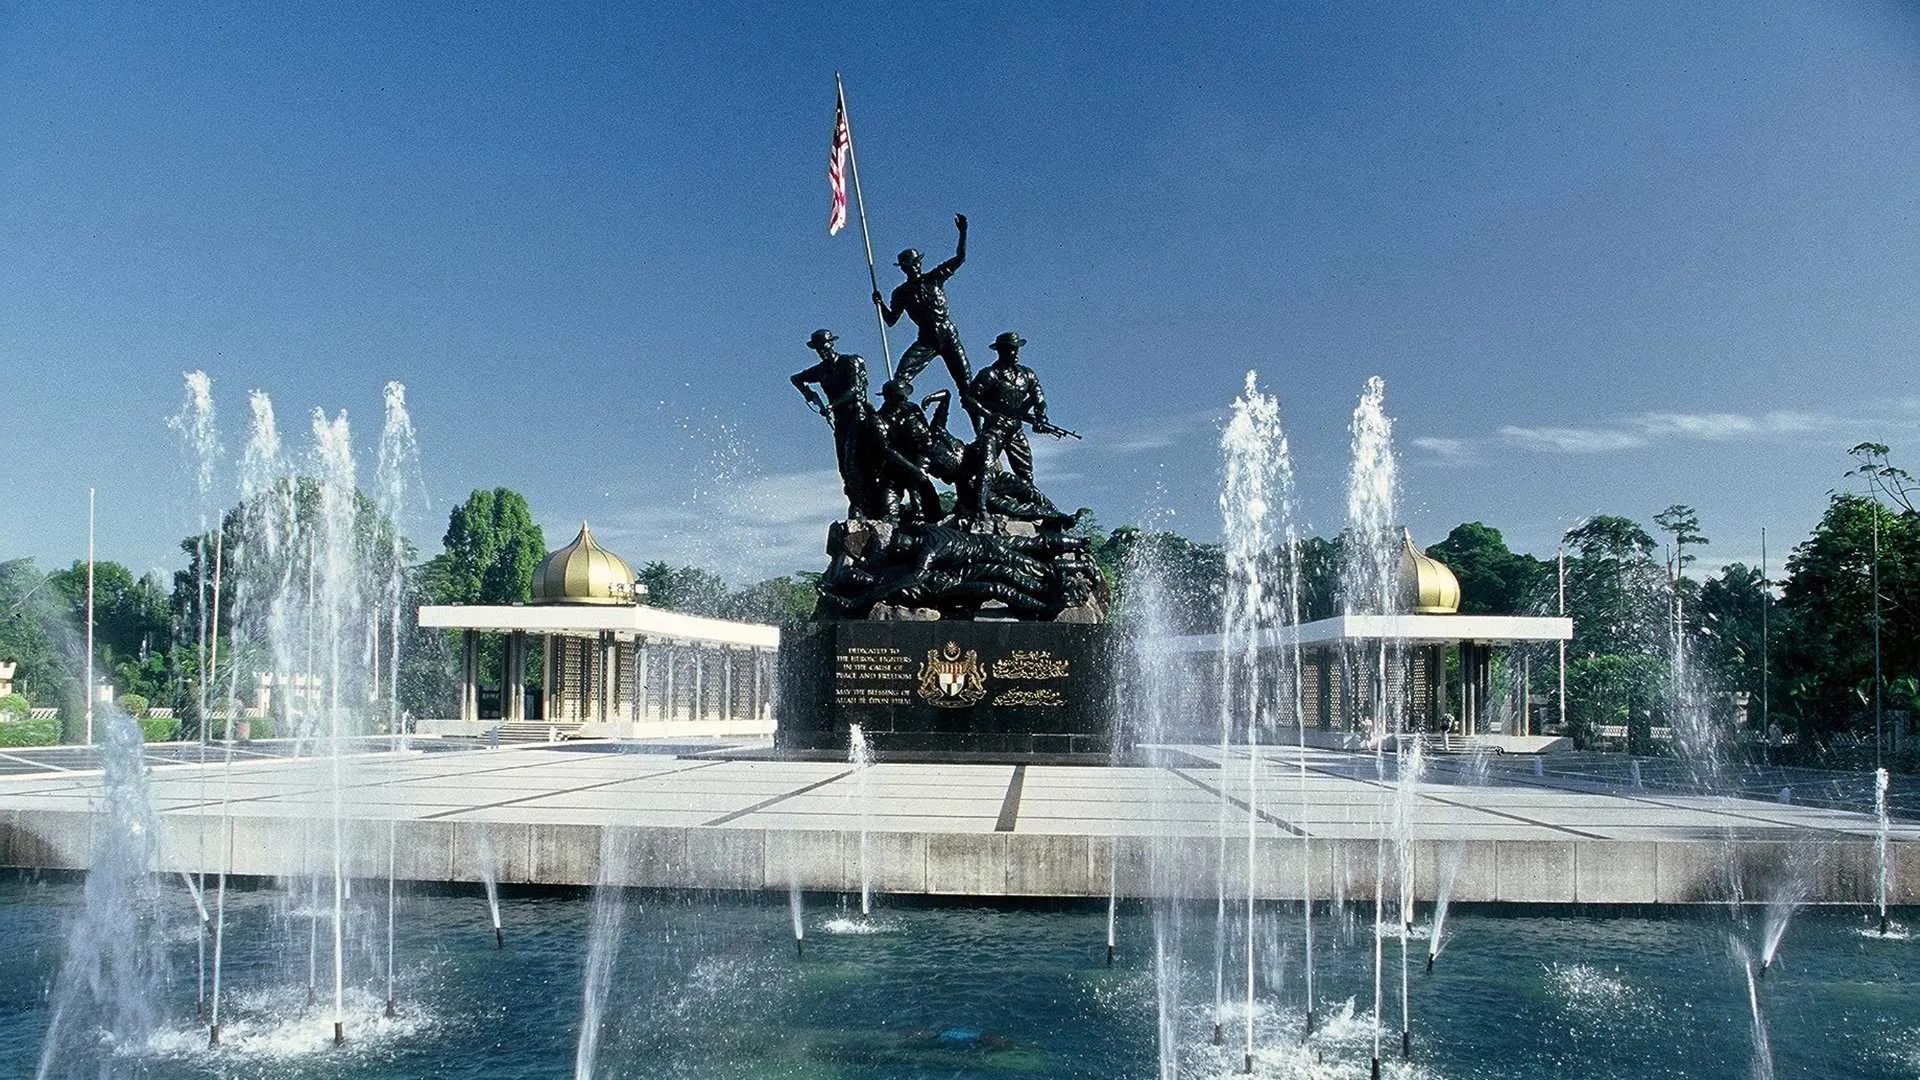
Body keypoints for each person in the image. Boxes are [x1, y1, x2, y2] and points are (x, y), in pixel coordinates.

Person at [963, 331, 1072, 519]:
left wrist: (1041, 417)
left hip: (1015, 429)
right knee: (985, 467)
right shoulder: (989, 374)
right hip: (995, 429)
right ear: (1001, 351)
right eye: (1011, 350)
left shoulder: (1027, 375)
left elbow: (1039, 399)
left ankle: (1031, 513)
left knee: (1026, 475)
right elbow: (968, 399)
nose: (1015, 353)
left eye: (1016, 349)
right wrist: (988, 415)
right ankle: (979, 509)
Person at [874, 214, 973, 405]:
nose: (913, 267)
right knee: (901, 376)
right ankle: (899, 411)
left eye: (914, 263)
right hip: (927, 338)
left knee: (966, 386)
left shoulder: (934, 278)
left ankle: (979, 429)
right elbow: (891, 320)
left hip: (948, 334)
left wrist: (963, 233)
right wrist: (880, 304)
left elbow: (960, 258)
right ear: (903, 269)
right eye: (908, 266)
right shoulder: (900, 293)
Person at [789, 329, 878, 518]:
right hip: (841, 421)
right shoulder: (821, 370)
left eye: (825, 346)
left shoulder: (849, 362)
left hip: (858, 417)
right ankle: (856, 503)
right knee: (844, 466)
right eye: (819, 349)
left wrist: (831, 405)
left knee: (854, 461)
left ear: (832, 344)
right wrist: (808, 394)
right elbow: (795, 378)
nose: (822, 351)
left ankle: (864, 504)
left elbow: (854, 389)